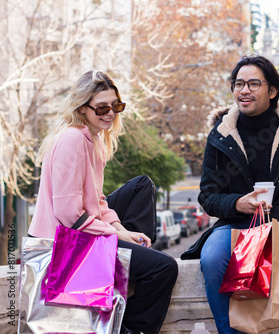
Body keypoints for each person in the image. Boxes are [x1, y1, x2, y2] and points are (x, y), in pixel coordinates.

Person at [181, 54, 279, 333]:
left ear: (273, 91)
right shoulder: (220, 134)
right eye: (239, 84)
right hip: (235, 221)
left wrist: (268, 220)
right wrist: (237, 204)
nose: (244, 90)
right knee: (213, 257)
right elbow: (208, 195)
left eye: (253, 84)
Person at [28, 70, 178, 334]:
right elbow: (68, 214)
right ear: (82, 108)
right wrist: (111, 234)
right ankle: (129, 329)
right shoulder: (73, 139)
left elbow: (97, 199)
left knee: (142, 184)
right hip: (62, 245)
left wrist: (121, 231)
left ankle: (131, 251)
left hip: (81, 232)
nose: (110, 113)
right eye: (101, 108)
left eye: (116, 106)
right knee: (163, 268)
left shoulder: (93, 139)